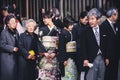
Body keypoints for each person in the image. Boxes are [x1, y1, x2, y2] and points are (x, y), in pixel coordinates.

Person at [81, 8, 109, 80]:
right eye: (89, 19)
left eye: (92, 19)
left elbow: (106, 44)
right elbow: (83, 46)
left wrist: (107, 57)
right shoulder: (85, 31)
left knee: (101, 77)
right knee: (91, 77)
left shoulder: (103, 29)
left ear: (98, 19)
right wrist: (85, 59)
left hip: (102, 57)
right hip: (91, 58)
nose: (90, 21)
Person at [38, 10, 60, 80]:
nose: (44, 20)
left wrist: (55, 52)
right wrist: (44, 52)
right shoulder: (42, 29)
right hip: (45, 55)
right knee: (44, 75)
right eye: (43, 18)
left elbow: (59, 42)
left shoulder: (57, 29)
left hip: (54, 55)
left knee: (54, 74)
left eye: (45, 18)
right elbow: (39, 42)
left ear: (51, 18)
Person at [101, 7, 119, 80]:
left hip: (115, 54)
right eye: (116, 14)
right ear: (112, 15)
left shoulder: (115, 25)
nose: (117, 16)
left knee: (114, 73)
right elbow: (104, 43)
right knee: (108, 74)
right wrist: (106, 57)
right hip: (108, 55)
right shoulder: (104, 25)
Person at [0, 15, 19, 80]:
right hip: (7, 58)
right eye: (12, 22)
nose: (15, 23)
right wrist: (12, 48)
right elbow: (2, 44)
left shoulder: (16, 32)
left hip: (14, 57)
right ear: (8, 24)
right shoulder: (4, 32)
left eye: (15, 22)